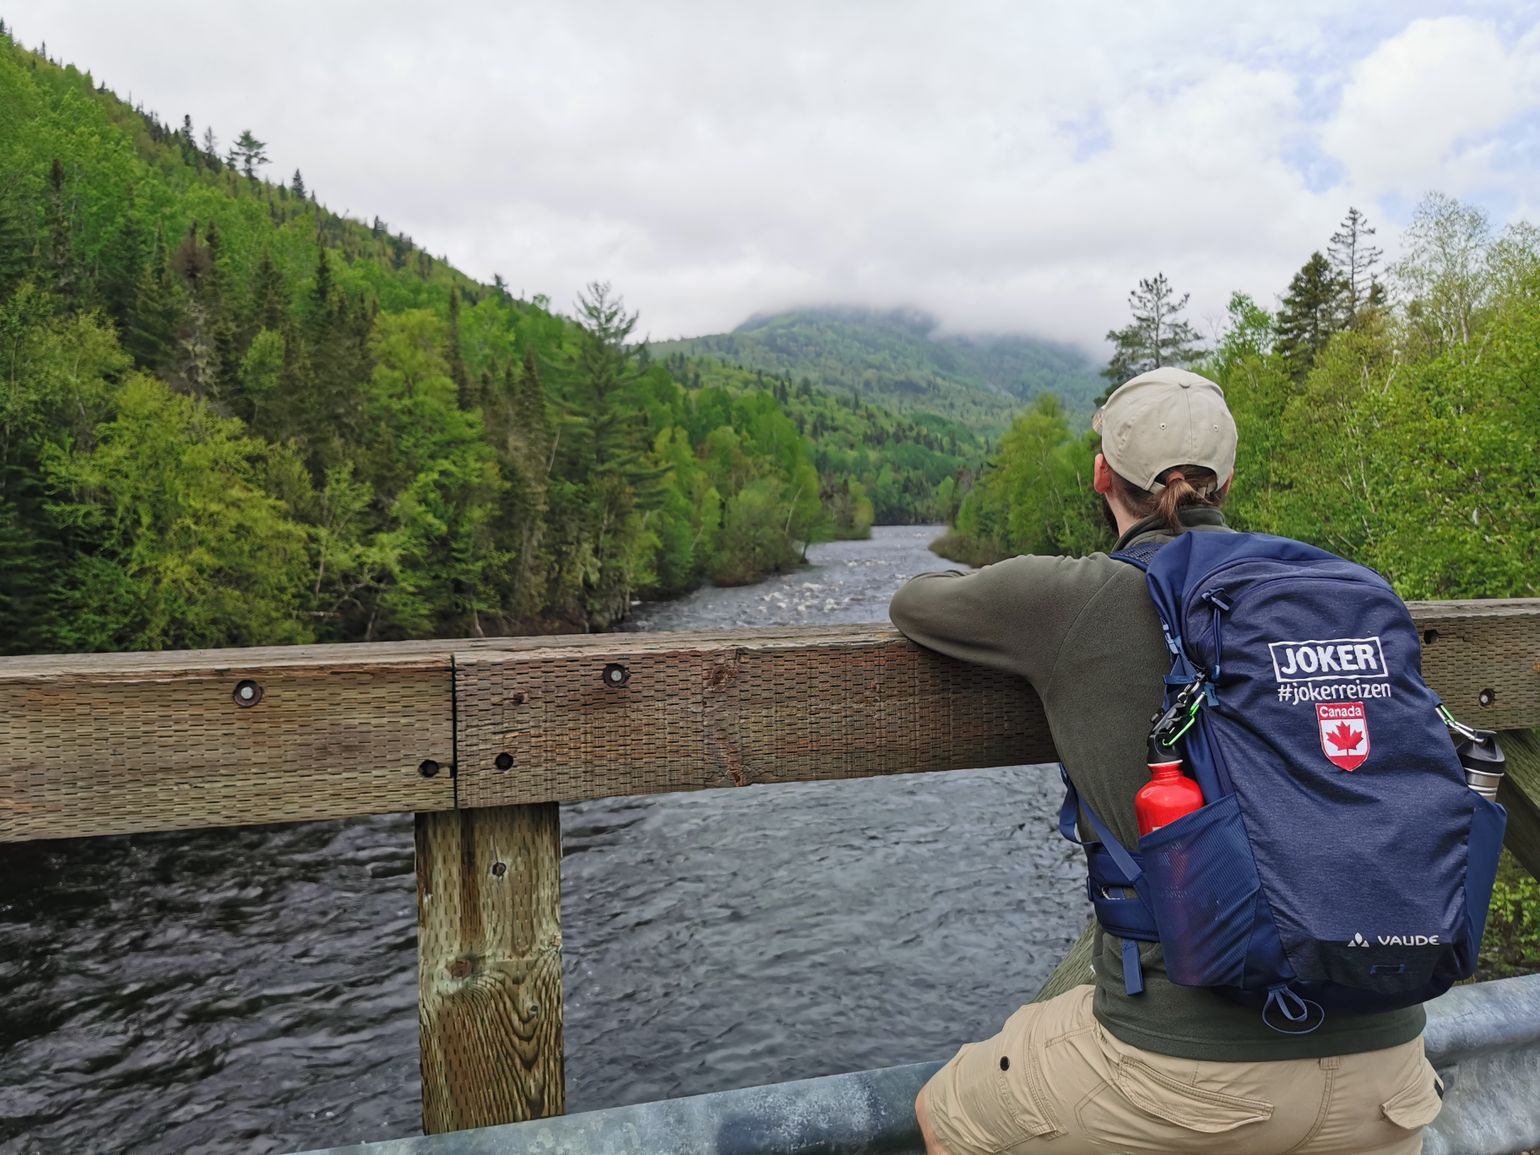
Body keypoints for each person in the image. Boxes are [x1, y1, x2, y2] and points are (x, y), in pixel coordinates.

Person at [888, 368, 1444, 1155]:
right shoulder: (1336, 589)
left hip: (1183, 1075)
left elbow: (913, 600)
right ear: (1229, 480)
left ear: (1101, 474)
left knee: (946, 1113)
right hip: (1390, 1066)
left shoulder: (1071, 596)